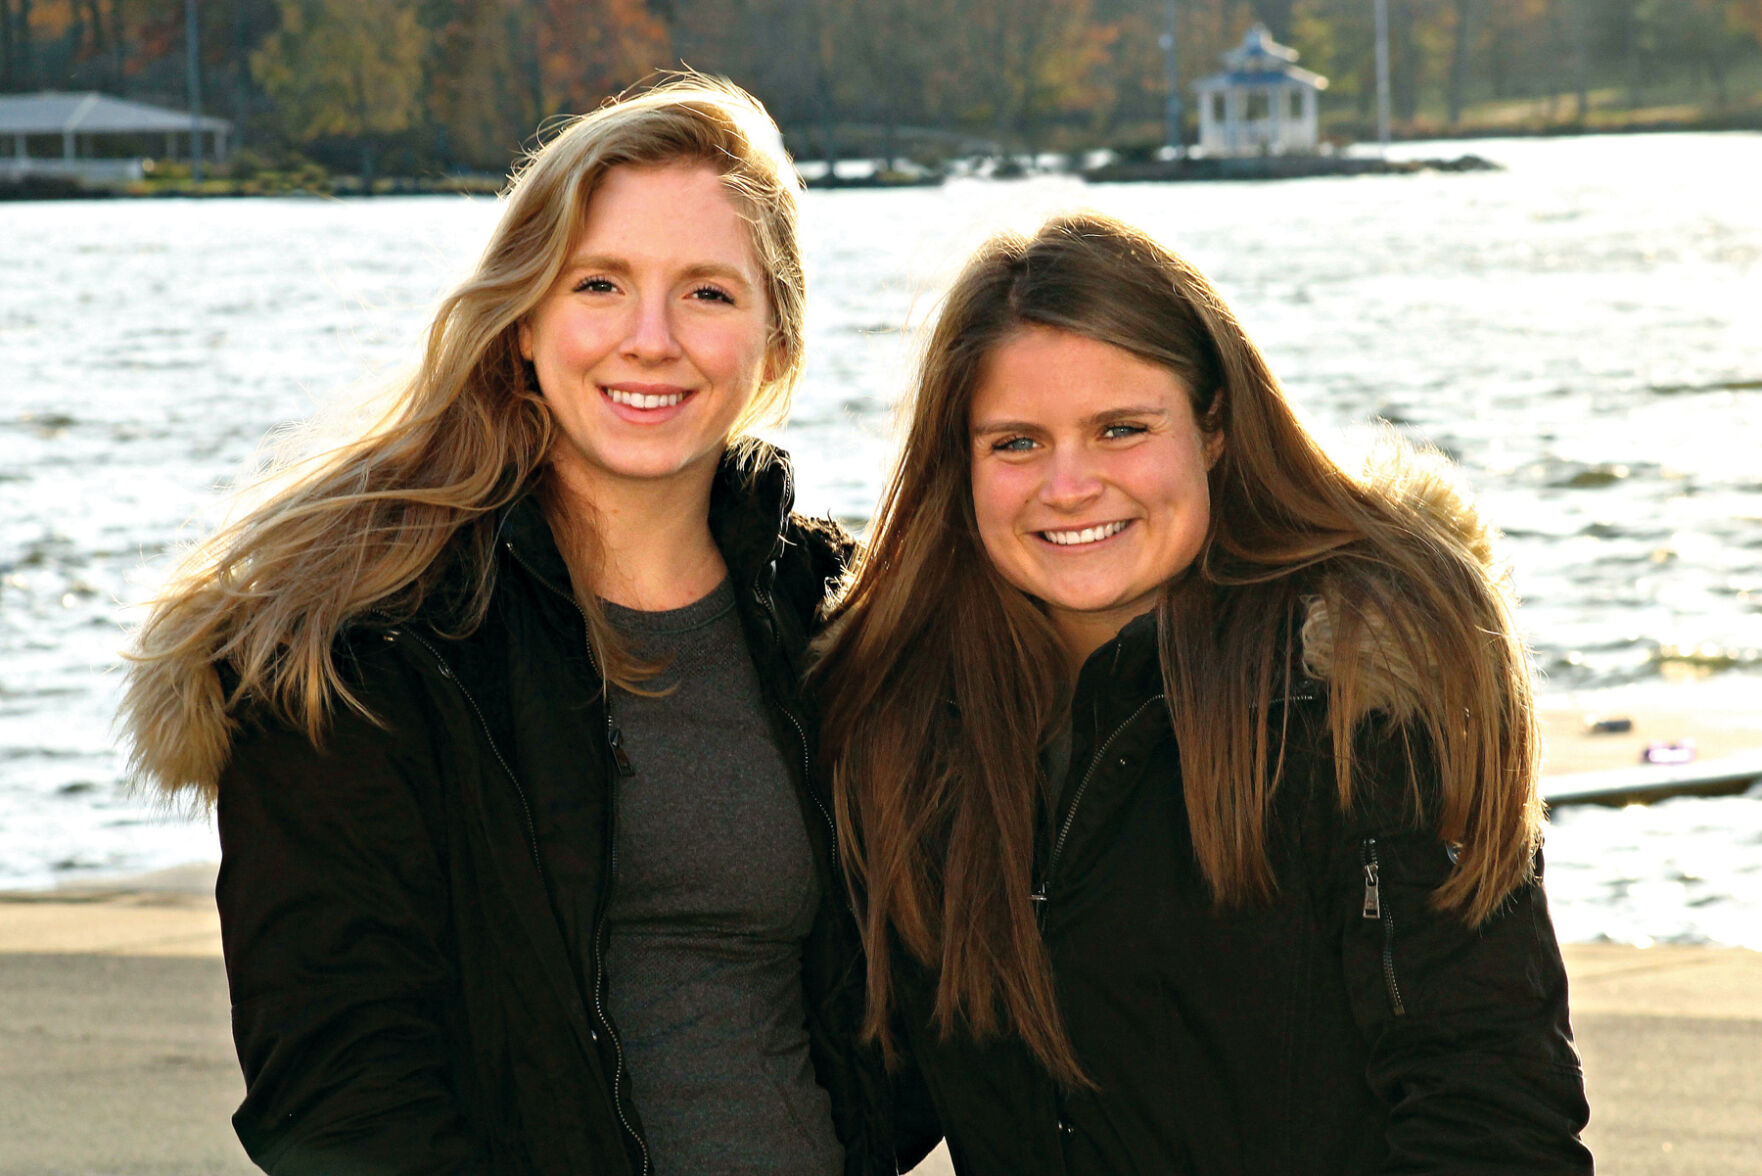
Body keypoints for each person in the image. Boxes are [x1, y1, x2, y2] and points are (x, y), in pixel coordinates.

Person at [121, 78, 898, 1176]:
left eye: (708, 293)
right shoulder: (369, 646)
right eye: (600, 284)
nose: (651, 340)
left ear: (774, 340)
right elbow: (338, 1089)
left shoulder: (827, 619)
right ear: (524, 320)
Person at [814, 213, 1593, 1175]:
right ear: (959, 464)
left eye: (1121, 430)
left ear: (1215, 428)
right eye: (1016, 442)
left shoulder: (1357, 694)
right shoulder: (909, 725)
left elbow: (1493, 1116)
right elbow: (855, 1102)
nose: (1069, 485)